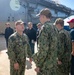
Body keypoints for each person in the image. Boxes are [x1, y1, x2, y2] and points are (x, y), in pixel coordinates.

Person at [32, 8, 58, 75]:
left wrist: (38, 65)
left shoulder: (45, 28)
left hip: (45, 66)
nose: (39, 19)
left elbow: (43, 50)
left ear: (43, 16)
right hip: (53, 63)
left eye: (39, 17)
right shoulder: (54, 27)